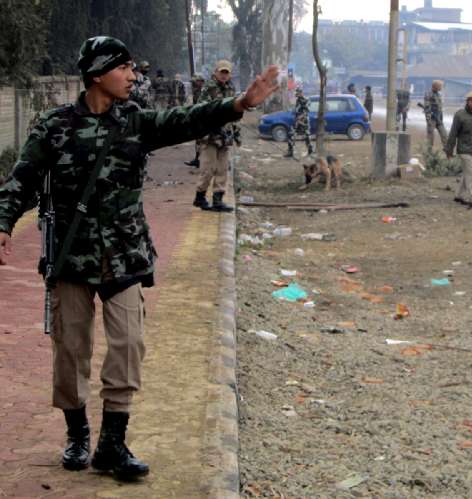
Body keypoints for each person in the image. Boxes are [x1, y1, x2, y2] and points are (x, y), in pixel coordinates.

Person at [0, 36, 278, 480]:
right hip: (71, 257)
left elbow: (187, 119)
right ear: (97, 75)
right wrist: (4, 222)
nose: (133, 76)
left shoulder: (135, 121)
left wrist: (239, 103)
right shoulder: (54, 125)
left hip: (125, 256)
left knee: (128, 345)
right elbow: (23, 178)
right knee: (70, 350)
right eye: (124, 68)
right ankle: (77, 433)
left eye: (133, 68)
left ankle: (112, 442)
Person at [193, 60, 242, 212]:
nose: (224, 75)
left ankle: (218, 200)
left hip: (226, 135)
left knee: (222, 169)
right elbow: (202, 109)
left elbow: (235, 112)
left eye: (226, 73)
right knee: (208, 169)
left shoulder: (231, 88)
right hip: (210, 135)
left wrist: (237, 134)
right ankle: (200, 197)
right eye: (221, 72)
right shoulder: (208, 88)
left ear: (230, 74)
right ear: (215, 72)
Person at [445, 91, 472, 209]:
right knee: (471, 174)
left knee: (467, 174)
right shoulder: (460, 115)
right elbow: (453, 133)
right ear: (467, 102)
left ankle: (459, 195)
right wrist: (449, 150)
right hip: (464, 150)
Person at [184, 74, 206, 168]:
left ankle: (202, 161)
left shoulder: (205, 91)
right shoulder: (196, 91)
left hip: (204, 118)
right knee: (198, 140)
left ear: (201, 82)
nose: (194, 83)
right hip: (198, 118)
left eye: (196, 81)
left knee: (205, 141)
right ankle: (197, 160)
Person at [285, 86, 314, 158]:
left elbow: (306, 112)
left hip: (304, 121)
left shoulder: (306, 100)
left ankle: (310, 151)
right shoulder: (298, 100)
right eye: (296, 92)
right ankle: (290, 152)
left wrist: (300, 117)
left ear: (301, 92)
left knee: (307, 136)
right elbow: (296, 109)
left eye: (298, 92)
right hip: (297, 121)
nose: (297, 93)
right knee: (290, 135)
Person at [423, 80, 448, 149]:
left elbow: (440, 107)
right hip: (432, 118)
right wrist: (428, 119)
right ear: (436, 86)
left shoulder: (438, 94)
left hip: (439, 118)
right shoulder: (429, 94)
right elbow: (426, 107)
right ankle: (429, 151)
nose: (441, 87)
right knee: (430, 137)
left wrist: (441, 118)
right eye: (440, 86)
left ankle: (447, 150)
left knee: (444, 135)